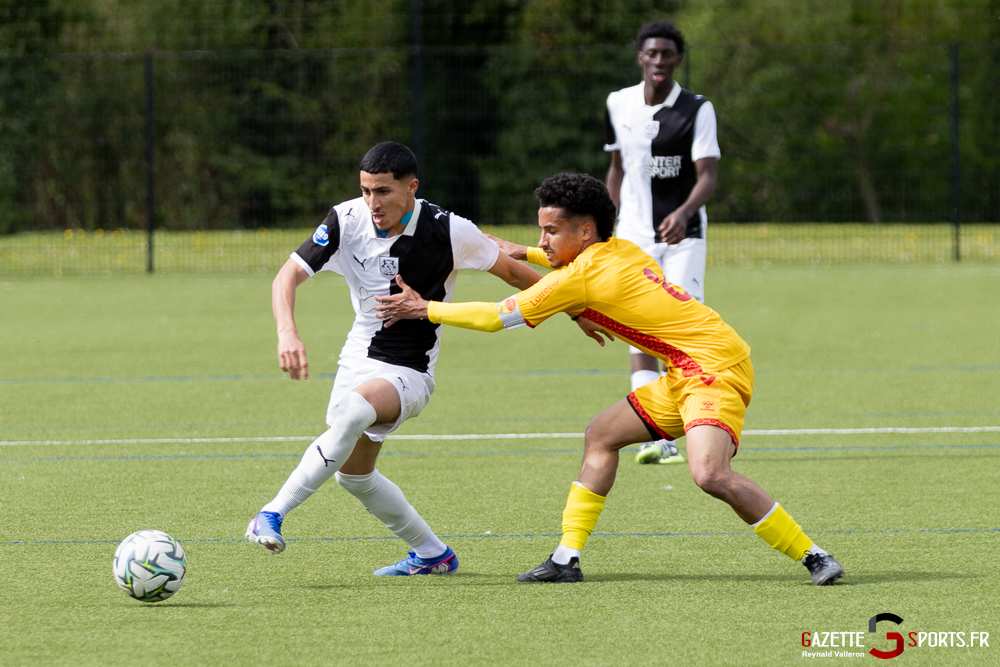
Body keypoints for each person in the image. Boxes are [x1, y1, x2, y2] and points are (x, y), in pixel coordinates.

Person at [375, 172, 844, 586]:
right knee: (601, 435)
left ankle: (813, 554)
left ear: (585, 230)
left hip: (712, 369)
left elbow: (497, 317)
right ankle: (566, 558)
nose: (544, 239)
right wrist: (527, 250)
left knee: (709, 474)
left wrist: (424, 308)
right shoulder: (620, 249)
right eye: (542, 230)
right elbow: (570, 267)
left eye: (551, 231)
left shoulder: (577, 280)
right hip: (687, 368)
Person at [245, 141, 542, 576]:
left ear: (411, 187)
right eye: (366, 190)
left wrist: (575, 309)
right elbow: (286, 276)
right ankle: (433, 555)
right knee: (354, 475)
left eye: (383, 191)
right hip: (357, 357)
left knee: (354, 412)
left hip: (410, 371)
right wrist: (287, 332)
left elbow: (517, 274)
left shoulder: (447, 230)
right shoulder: (346, 220)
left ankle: (271, 512)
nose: (372, 202)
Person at [607, 20, 720, 465]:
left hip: (683, 239)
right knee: (640, 327)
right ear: (640, 57)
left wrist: (684, 212)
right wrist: (605, 223)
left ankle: (701, 421)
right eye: (651, 53)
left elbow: (708, 174)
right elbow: (616, 168)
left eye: (667, 54)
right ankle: (658, 435)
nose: (658, 61)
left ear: (678, 59)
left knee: (682, 329)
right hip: (633, 237)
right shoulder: (618, 104)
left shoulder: (697, 109)